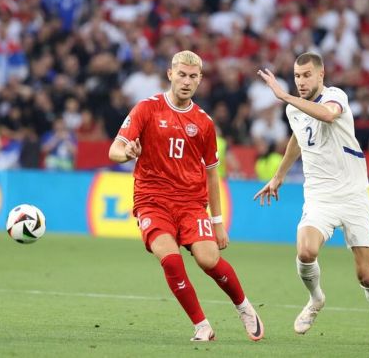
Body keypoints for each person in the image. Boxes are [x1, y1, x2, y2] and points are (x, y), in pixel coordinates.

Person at [108, 50, 264, 342]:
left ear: (200, 80)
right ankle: (202, 326)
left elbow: (212, 175)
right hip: (152, 200)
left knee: (208, 260)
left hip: (191, 203)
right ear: (170, 74)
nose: (186, 81)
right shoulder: (147, 108)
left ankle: (243, 307)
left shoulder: (204, 123)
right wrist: (127, 153)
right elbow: (114, 149)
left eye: (193, 76)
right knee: (170, 260)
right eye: (181, 74)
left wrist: (217, 222)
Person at [254, 52, 369, 346]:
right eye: (297, 76)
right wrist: (279, 176)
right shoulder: (294, 109)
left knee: (366, 275)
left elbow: (328, 115)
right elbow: (298, 138)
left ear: (321, 75)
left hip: (354, 196)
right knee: (306, 251)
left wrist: (284, 95)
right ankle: (316, 298)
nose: (301, 81)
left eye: (307, 75)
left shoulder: (335, 96)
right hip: (320, 196)